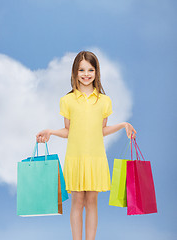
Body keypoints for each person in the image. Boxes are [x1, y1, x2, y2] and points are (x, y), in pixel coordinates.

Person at [36, 51, 137, 240]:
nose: (86, 73)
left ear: (96, 72)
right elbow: (69, 131)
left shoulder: (104, 100)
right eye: (81, 69)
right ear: (75, 72)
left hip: (95, 158)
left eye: (90, 69)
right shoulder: (67, 100)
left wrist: (123, 125)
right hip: (75, 157)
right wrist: (51, 132)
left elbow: (102, 130)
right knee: (77, 202)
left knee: (92, 202)